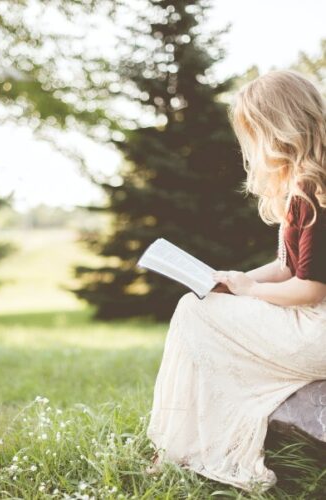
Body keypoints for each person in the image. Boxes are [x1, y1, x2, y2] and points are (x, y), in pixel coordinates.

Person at [145, 69, 326, 493]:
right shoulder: (309, 184)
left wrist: (250, 292)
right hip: (315, 322)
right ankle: (187, 445)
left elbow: (312, 288)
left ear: (277, 127)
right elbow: (288, 267)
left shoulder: (310, 188)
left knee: (194, 312)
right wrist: (236, 279)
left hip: (318, 330)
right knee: (202, 308)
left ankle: (183, 448)